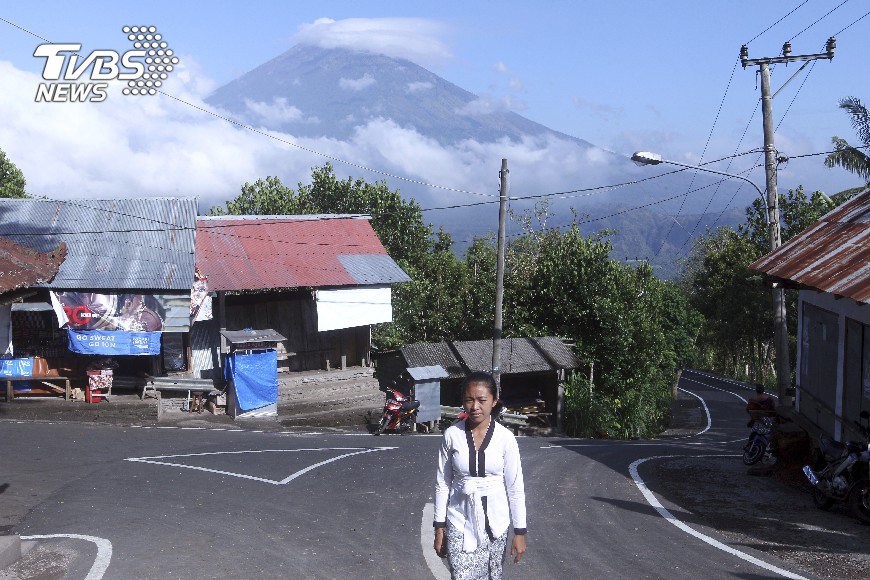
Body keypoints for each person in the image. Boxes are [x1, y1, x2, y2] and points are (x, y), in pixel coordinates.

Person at [434, 371, 527, 579]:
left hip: (496, 524)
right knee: (460, 575)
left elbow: (515, 487)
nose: (475, 407)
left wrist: (520, 532)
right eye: (469, 400)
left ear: (494, 401)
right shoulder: (452, 435)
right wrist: (439, 528)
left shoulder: (506, 438)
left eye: (482, 400)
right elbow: (443, 483)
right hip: (459, 520)